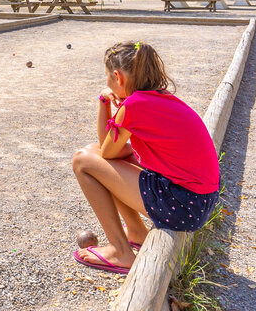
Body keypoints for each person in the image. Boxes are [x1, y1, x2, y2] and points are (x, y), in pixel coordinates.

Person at [70, 41, 219, 274]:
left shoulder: (134, 106)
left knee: (82, 160)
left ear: (118, 78)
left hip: (183, 205)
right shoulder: (159, 98)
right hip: (198, 202)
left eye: (108, 78)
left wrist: (104, 102)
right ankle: (136, 232)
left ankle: (120, 251)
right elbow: (109, 150)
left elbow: (107, 152)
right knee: (97, 154)